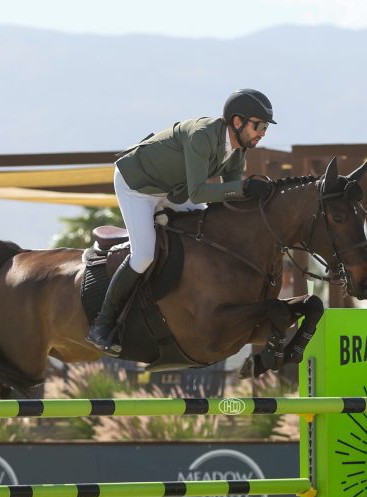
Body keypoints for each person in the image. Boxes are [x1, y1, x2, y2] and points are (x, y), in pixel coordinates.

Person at [85, 88, 277, 355]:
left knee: (207, 229)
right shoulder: (201, 136)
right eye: (259, 126)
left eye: (265, 127)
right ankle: (102, 325)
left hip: (172, 191)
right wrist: (243, 188)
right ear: (237, 121)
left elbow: (228, 198)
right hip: (137, 186)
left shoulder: (238, 149)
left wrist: (260, 202)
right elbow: (201, 192)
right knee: (143, 256)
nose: (263, 133)